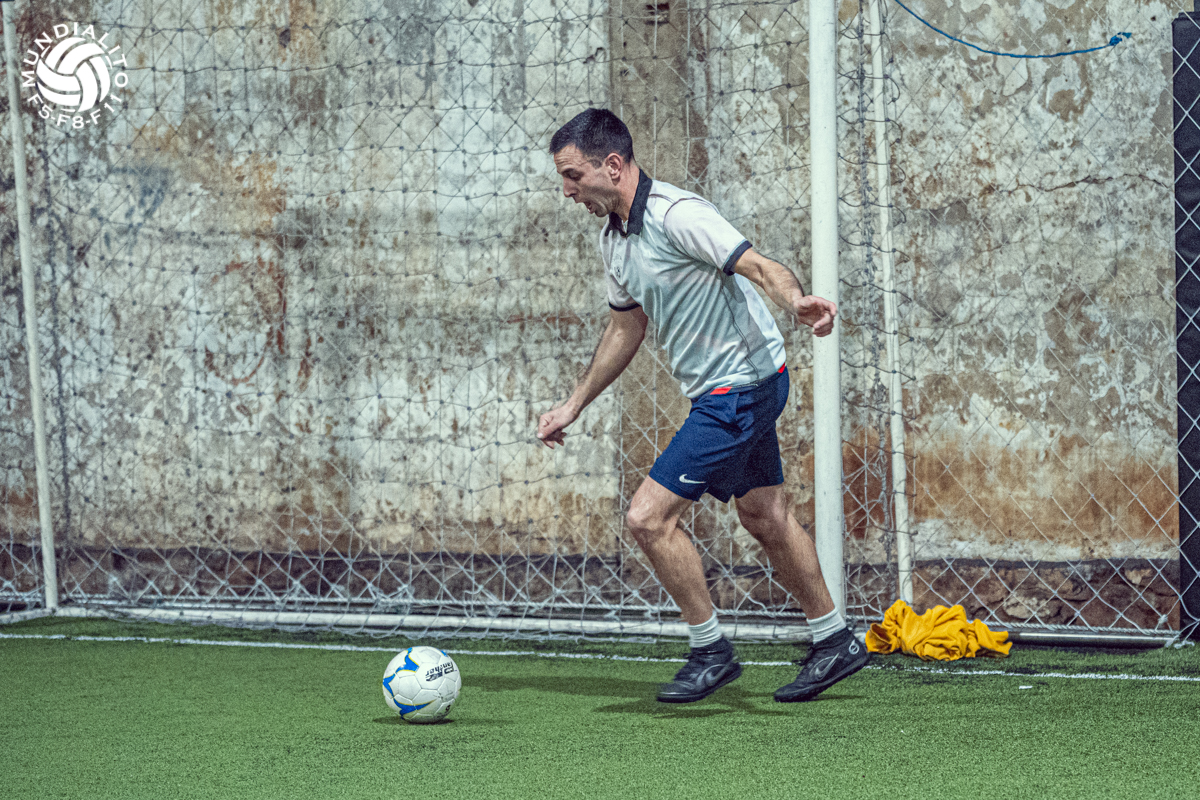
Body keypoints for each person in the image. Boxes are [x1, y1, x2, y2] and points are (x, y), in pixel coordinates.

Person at [537, 108, 870, 703]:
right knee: (764, 514)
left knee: (647, 518)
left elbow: (759, 265)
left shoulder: (678, 214)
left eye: (572, 175)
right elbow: (626, 327)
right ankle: (834, 640)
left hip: (740, 388)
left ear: (611, 165)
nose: (567, 191)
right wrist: (574, 404)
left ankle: (710, 651)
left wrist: (795, 302)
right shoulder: (614, 239)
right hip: (731, 388)